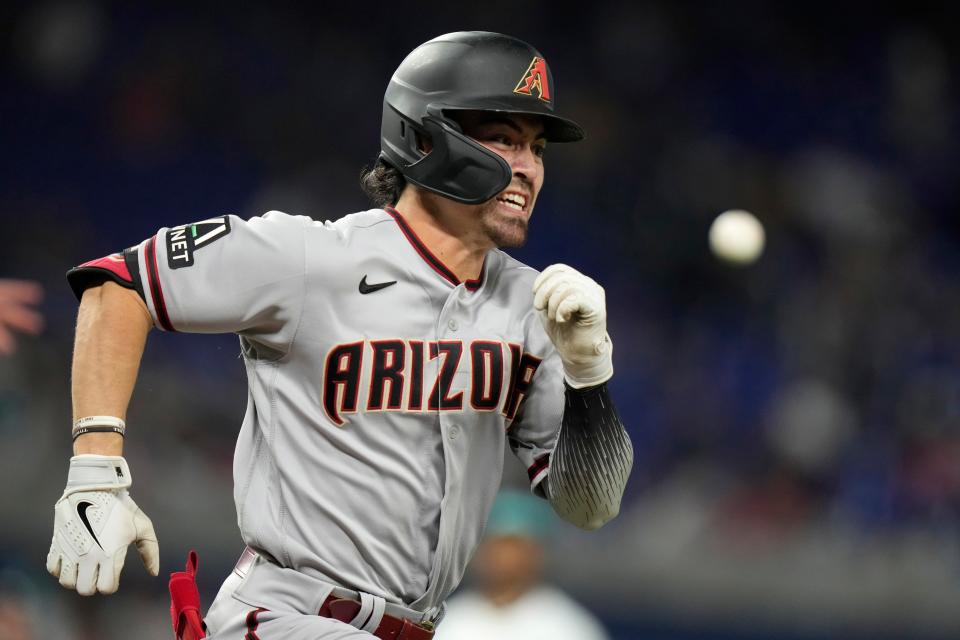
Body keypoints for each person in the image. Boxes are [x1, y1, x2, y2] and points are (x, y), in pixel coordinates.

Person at [46, 31, 633, 640]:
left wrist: (591, 375)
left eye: (536, 147)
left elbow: (590, 506)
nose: (528, 167)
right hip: (284, 617)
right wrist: (96, 468)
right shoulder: (311, 257)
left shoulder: (532, 307)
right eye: (504, 138)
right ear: (426, 139)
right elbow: (120, 283)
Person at [436, 489, 610, 640]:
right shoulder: (447, 622)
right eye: (494, 544)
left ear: (537, 553)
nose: (503, 556)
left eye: (514, 545)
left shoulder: (570, 627)